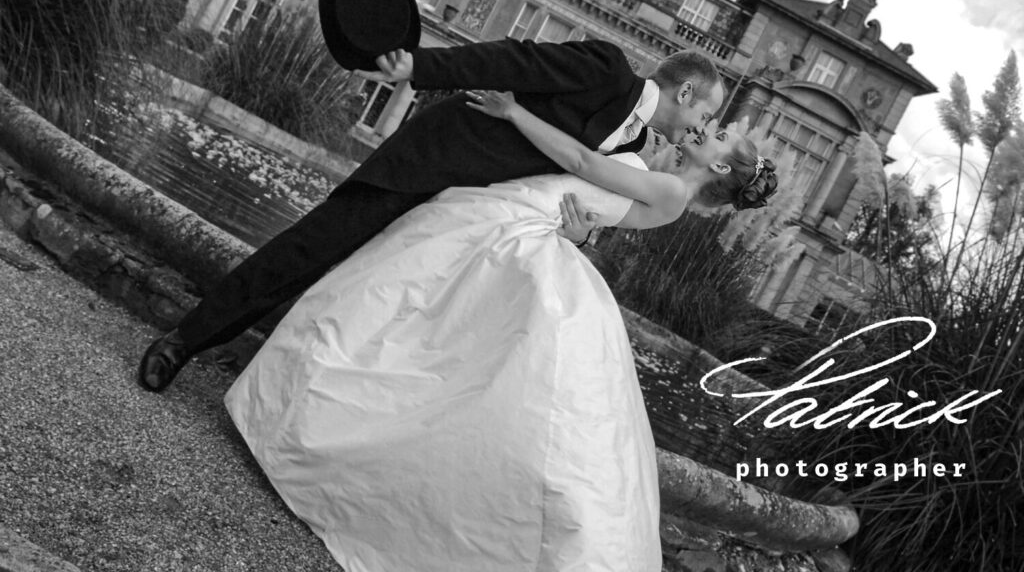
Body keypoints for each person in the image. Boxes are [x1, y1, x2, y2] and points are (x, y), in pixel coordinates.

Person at [223, 88, 776, 572]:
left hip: (516, 233)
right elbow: (595, 217)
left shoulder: (673, 194)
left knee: (421, 333)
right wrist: (584, 236)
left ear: (721, 169)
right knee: (410, 329)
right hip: (513, 218)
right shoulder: (660, 171)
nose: (712, 127)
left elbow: (583, 163)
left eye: (721, 135)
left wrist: (514, 113)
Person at [138, 39, 727, 393]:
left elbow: (586, 196)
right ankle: (183, 342)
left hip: (467, 229)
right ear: (685, 93)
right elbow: (511, 59)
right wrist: (416, 67)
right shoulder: (606, 68)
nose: (702, 126)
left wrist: (581, 235)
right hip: (432, 165)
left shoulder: (631, 152)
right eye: (707, 110)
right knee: (308, 249)